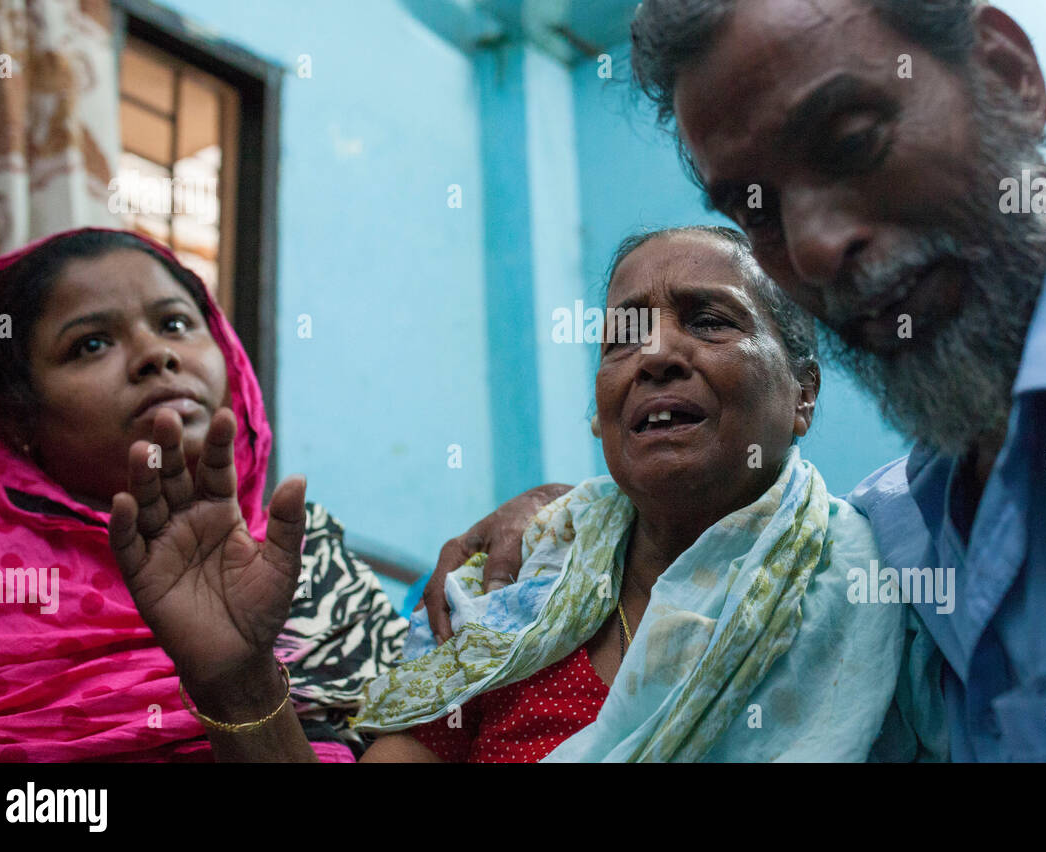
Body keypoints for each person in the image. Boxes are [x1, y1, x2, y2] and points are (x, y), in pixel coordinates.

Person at [432, 0, 1046, 760]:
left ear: (1009, 76)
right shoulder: (898, 534)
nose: (817, 246)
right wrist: (574, 517)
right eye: (758, 210)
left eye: (854, 139)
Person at [105, 226, 945, 762]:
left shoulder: (883, 585)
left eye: (710, 320)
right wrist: (239, 681)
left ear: (802, 393)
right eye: (623, 337)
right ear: (600, 409)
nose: (655, 354)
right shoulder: (516, 593)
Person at [0, 228, 410, 760]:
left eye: (175, 323)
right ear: (15, 417)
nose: (156, 354)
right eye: (90, 344)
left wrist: (240, 683)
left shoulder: (309, 562)